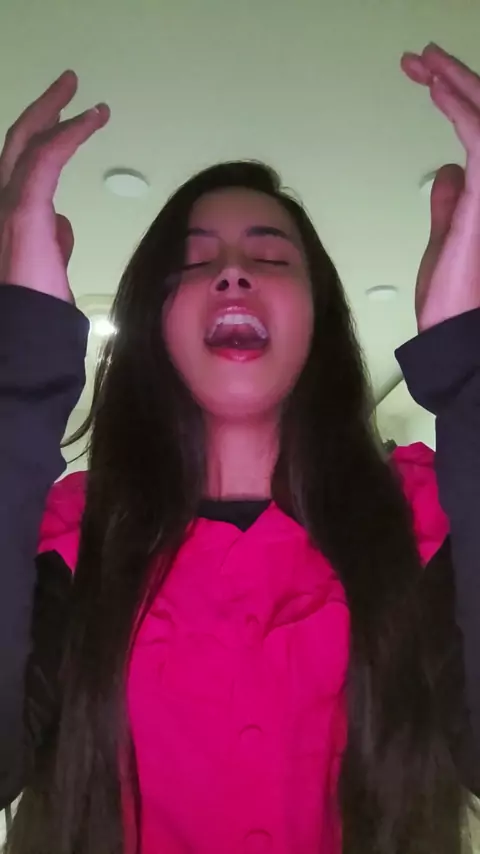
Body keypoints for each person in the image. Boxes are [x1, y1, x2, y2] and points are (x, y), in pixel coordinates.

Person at [0, 42, 479, 854]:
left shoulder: (420, 516)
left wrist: (469, 360)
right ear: (153, 321)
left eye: (269, 256)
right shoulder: (70, 535)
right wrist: (17, 359)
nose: (231, 274)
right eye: (195, 262)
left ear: (319, 317)